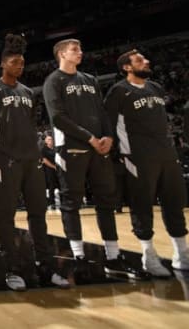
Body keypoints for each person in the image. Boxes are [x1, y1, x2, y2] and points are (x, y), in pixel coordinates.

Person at [42, 39, 146, 282]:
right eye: (75, 49)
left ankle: (113, 257)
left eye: (80, 48)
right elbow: (58, 117)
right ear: (61, 54)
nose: (80, 52)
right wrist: (89, 138)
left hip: (100, 149)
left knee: (106, 202)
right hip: (72, 149)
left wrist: (109, 136)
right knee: (71, 202)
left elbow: (101, 112)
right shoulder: (53, 81)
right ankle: (78, 257)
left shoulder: (90, 79)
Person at [0, 34, 70, 291]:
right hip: (6, 161)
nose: (21, 66)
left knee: (38, 215)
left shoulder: (28, 92)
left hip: (32, 161)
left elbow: (30, 126)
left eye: (22, 62)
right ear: (4, 64)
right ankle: (12, 270)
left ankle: (47, 268)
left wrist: (37, 153)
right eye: (16, 62)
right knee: (6, 217)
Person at [104, 49, 189, 276]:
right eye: (140, 60)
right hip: (137, 157)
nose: (147, 61)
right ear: (127, 67)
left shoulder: (156, 88)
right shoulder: (118, 91)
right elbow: (109, 126)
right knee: (142, 206)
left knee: (175, 203)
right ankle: (148, 256)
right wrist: (117, 155)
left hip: (167, 154)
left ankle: (181, 254)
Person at [41, 135, 60, 209]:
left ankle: (63, 201)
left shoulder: (55, 148)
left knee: (61, 184)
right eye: (48, 139)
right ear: (45, 141)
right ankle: (52, 203)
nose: (50, 141)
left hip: (58, 169)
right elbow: (44, 160)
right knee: (51, 186)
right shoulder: (44, 149)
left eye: (51, 139)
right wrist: (53, 166)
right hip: (49, 170)